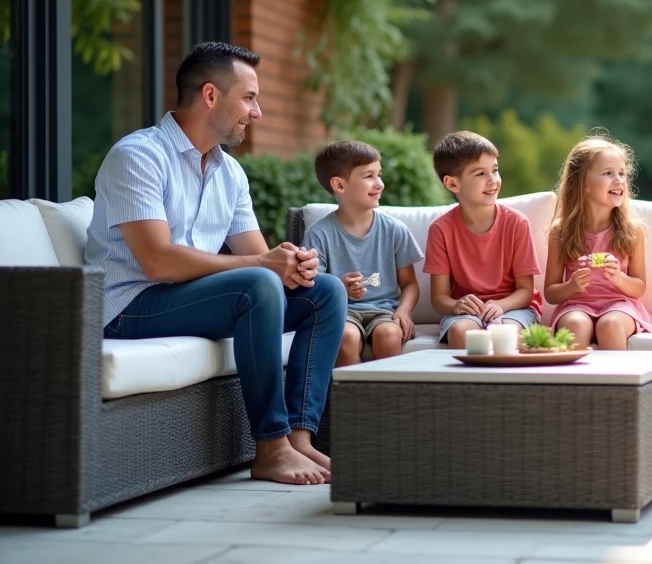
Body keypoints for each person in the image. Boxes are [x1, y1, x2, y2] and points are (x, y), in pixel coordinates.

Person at [86, 41, 347, 486]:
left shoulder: (230, 172)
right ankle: (270, 447)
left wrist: (292, 264)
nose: (257, 112)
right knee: (257, 286)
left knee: (325, 291)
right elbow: (157, 261)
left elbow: (258, 255)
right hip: (130, 307)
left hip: (188, 298)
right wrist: (264, 265)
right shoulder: (139, 155)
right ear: (210, 95)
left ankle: (300, 437)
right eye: (249, 98)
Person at [302, 141, 423, 367]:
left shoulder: (394, 230)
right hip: (341, 311)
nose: (380, 184)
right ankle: (352, 401)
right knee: (346, 338)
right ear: (339, 184)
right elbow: (311, 288)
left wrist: (404, 311)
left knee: (388, 335)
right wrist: (339, 288)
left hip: (384, 312)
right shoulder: (318, 234)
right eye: (369, 176)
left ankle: (387, 402)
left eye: (379, 175)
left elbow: (410, 284)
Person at [425, 131, 542, 348]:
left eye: (495, 170)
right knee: (462, 333)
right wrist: (456, 305)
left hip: (513, 309)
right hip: (467, 313)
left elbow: (526, 291)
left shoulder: (517, 223)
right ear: (452, 184)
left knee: (503, 334)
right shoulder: (441, 230)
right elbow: (439, 298)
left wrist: (500, 306)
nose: (493, 180)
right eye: (480, 174)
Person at [543, 136, 652, 350]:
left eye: (622, 173)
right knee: (576, 324)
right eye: (608, 173)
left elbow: (639, 287)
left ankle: (618, 384)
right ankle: (573, 383)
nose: (619, 180)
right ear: (583, 184)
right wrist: (571, 286)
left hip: (620, 306)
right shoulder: (561, 232)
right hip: (576, 305)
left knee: (610, 325)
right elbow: (550, 292)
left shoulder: (632, 231)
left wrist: (618, 278)